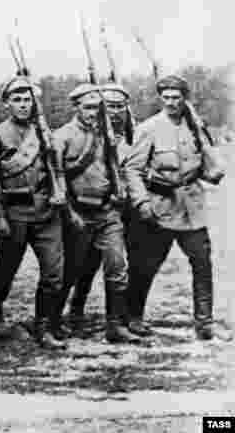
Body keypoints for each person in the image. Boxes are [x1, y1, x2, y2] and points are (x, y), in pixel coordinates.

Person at [124, 75, 226, 341]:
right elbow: (132, 170)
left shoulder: (195, 127)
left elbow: (209, 168)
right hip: (161, 207)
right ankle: (133, 317)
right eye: (166, 97)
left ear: (184, 99)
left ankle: (204, 323)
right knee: (145, 265)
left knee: (202, 264)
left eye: (176, 97)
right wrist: (142, 202)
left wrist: (211, 166)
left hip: (192, 207)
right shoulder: (149, 128)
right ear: (160, 99)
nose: (170, 102)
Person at [53, 83, 140, 344]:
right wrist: (70, 214)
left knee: (117, 266)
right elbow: (57, 180)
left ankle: (115, 325)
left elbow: (112, 167)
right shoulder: (62, 137)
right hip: (78, 213)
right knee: (71, 270)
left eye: (97, 107)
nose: (94, 112)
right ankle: (55, 320)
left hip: (107, 212)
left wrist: (118, 191)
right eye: (88, 107)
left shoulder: (106, 135)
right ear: (76, 107)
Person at [0, 76, 67, 349]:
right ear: (7, 103)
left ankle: (44, 326)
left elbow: (57, 169)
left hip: (46, 213)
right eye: (17, 100)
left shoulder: (44, 133)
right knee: (5, 272)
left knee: (54, 274)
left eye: (27, 100)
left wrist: (59, 191)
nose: (23, 105)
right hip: (15, 213)